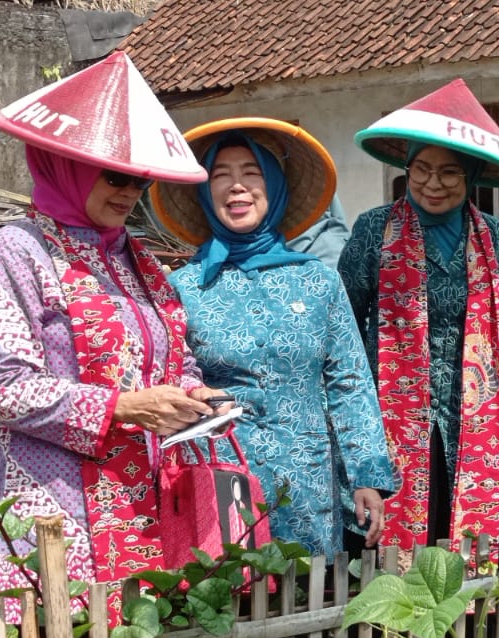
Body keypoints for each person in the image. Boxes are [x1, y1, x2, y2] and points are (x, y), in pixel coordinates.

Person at [0, 52, 219, 629]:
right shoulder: (16, 251)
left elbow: (174, 355)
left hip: (142, 500)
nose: (130, 191)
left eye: (139, 179)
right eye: (115, 175)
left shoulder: (142, 262)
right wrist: (125, 406)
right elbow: (1, 387)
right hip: (58, 507)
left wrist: (190, 395)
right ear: (65, 165)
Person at [155, 119, 396, 557]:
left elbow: (350, 382)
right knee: (230, 603)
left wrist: (367, 476)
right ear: (204, 192)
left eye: (251, 173)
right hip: (221, 477)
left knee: (312, 602)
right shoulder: (183, 288)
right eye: (221, 175)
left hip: (306, 480)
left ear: (274, 186)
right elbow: (171, 384)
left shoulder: (318, 282)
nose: (236, 187)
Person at [339, 79, 499, 556]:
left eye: (448, 172)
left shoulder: (492, 238)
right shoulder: (374, 230)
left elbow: (490, 329)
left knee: (453, 532)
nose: (433, 183)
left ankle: (455, 629)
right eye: (421, 169)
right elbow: (342, 328)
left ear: (469, 178)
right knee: (388, 539)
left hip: (467, 417)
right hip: (390, 418)